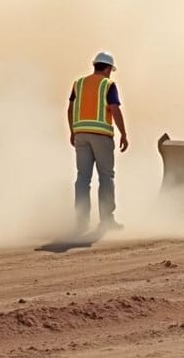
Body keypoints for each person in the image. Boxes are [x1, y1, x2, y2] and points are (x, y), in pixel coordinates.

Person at [68, 51, 129, 232]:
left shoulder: (78, 84)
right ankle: (107, 220)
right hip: (101, 136)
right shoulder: (108, 84)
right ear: (108, 68)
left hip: (80, 135)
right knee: (106, 177)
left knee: (82, 178)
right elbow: (114, 109)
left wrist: (73, 131)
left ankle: (80, 221)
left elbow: (70, 108)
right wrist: (124, 133)